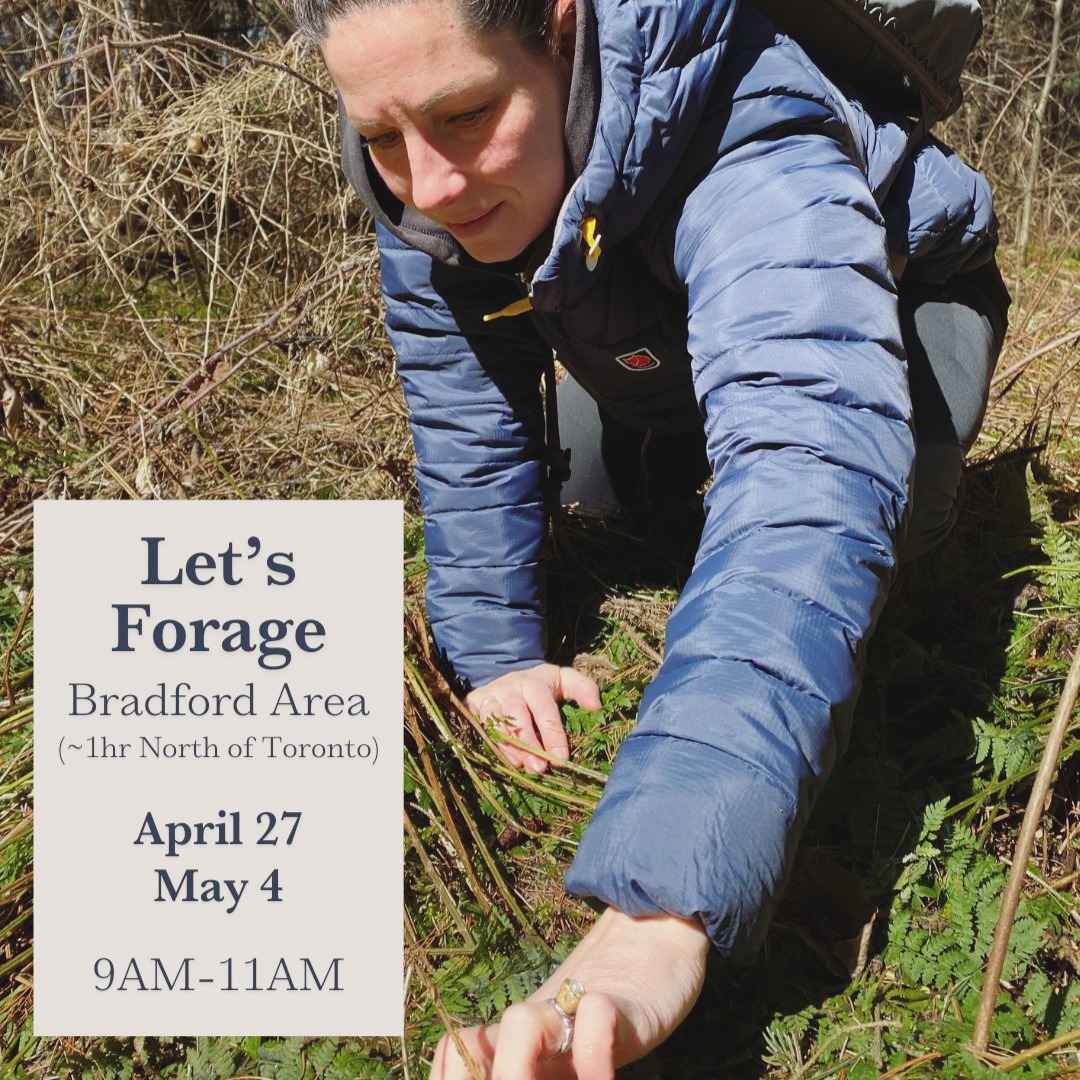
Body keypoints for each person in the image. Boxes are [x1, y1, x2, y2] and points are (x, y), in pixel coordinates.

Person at [283, 0, 1010, 1074]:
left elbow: (804, 475)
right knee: (607, 506)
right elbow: (465, 405)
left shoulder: (752, 124)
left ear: (565, 31)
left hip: (889, 296)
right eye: (384, 135)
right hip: (618, 293)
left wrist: (662, 903)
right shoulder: (426, 186)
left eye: (468, 112)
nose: (427, 181)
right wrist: (497, 654)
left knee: (885, 533)